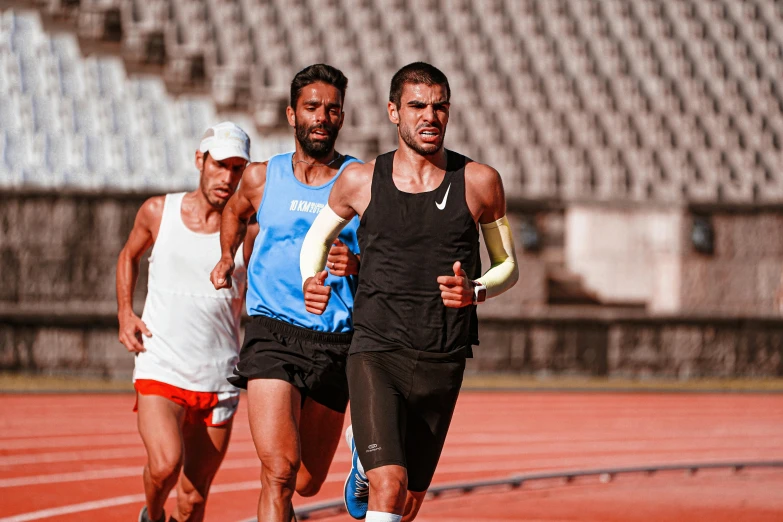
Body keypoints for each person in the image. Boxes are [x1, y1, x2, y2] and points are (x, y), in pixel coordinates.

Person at [300, 62, 519, 522]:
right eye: (417, 105)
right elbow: (317, 240)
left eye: (440, 107)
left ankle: (364, 454)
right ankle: (371, 457)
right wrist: (311, 280)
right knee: (389, 484)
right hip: (376, 350)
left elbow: (508, 266)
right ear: (393, 112)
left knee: (408, 502)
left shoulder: (480, 182)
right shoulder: (361, 180)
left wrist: (475, 291)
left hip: (443, 356)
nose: (430, 116)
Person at [209, 64, 361, 522]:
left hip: (335, 338)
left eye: (332, 109)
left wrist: (357, 264)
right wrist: (226, 257)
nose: (322, 117)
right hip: (271, 330)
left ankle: (360, 454)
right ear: (292, 115)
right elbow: (234, 211)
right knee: (278, 471)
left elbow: (387, 253)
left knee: (306, 483)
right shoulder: (261, 177)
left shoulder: (361, 181)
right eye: (312, 107)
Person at [116, 122, 253, 522]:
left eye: (237, 168)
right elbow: (128, 256)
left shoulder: (252, 231)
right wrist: (125, 311)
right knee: (164, 464)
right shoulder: (159, 211)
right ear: (200, 160)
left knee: (194, 500)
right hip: (162, 365)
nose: (227, 177)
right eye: (220, 165)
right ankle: (153, 516)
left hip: (219, 377)